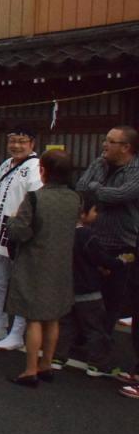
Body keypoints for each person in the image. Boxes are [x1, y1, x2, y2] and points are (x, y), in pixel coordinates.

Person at [5, 150, 80, 386]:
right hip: (61, 262)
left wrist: (12, 220)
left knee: (34, 318)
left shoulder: (35, 198)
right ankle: (47, 364)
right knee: (53, 317)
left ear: (43, 171)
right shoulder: (75, 198)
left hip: (35, 262)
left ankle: (30, 370)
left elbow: (20, 232)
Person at [0, 127, 42, 349]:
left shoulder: (35, 167)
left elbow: (36, 202)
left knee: (20, 283)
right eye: (12, 141)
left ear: (32, 142)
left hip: (17, 229)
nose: (16, 146)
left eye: (21, 141)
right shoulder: (5, 164)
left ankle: (17, 331)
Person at [75, 125, 139, 336]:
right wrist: (99, 191)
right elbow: (81, 186)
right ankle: (81, 339)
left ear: (126, 147)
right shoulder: (99, 162)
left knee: (112, 298)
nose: (105, 144)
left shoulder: (136, 169)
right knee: (85, 293)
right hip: (92, 239)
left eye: (111, 141)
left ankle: (102, 344)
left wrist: (96, 189)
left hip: (121, 242)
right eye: (106, 139)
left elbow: (122, 195)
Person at [54, 193, 124, 378]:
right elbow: (101, 258)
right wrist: (120, 262)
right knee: (95, 328)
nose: (97, 215)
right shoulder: (87, 235)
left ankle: (58, 358)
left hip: (67, 288)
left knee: (66, 325)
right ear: (84, 214)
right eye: (94, 211)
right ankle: (97, 364)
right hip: (89, 291)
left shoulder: (63, 234)